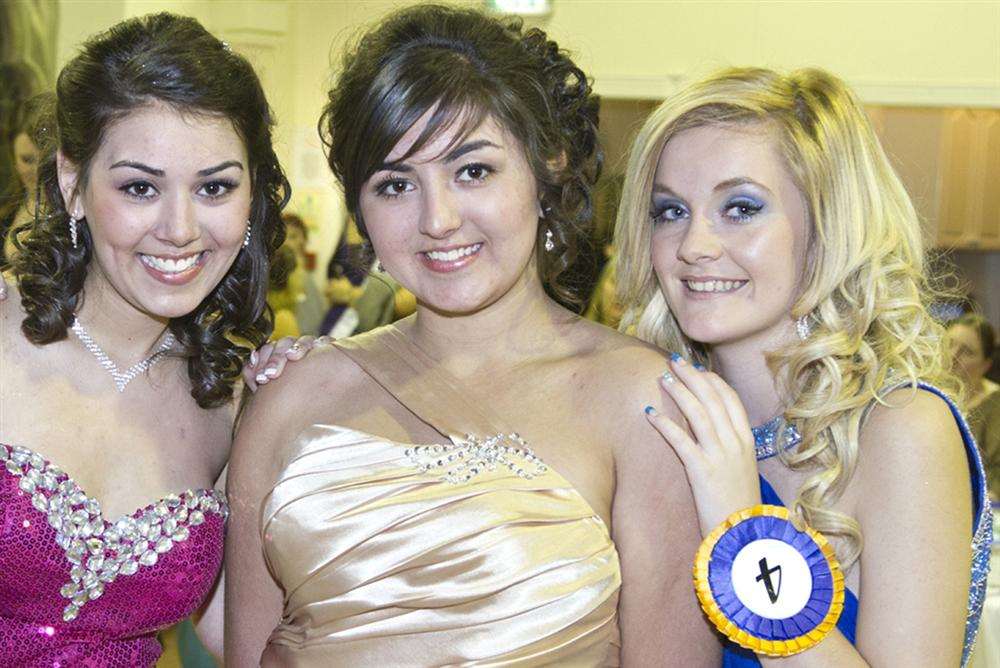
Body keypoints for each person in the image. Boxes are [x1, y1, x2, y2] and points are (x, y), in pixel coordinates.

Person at [225, 5, 716, 666]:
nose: (439, 219)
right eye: (396, 184)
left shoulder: (645, 401)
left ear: (546, 170)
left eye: (473, 170)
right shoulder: (291, 397)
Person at [615, 67, 990, 666]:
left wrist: (744, 532)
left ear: (827, 227)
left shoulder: (902, 429)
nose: (693, 245)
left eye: (739, 207)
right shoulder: (657, 415)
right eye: (669, 212)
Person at [0, 13, 289, 665]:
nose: (180, 228)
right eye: (139, 187)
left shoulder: (229, 407)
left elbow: (246, 645)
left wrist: (304, 409)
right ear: (73, 184)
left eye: (214, 187)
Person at [949, 314, 1000, 497]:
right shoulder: (925, 395)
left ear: (986, 365)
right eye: (949, 344)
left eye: (967, 352)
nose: (953, 355)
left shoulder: (994, 406)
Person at [1, 92, 51, 267]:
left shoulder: (73, 216)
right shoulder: (6, 210)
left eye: (45, 160)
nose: (37, 170)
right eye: (27, 160)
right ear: (13, 157)